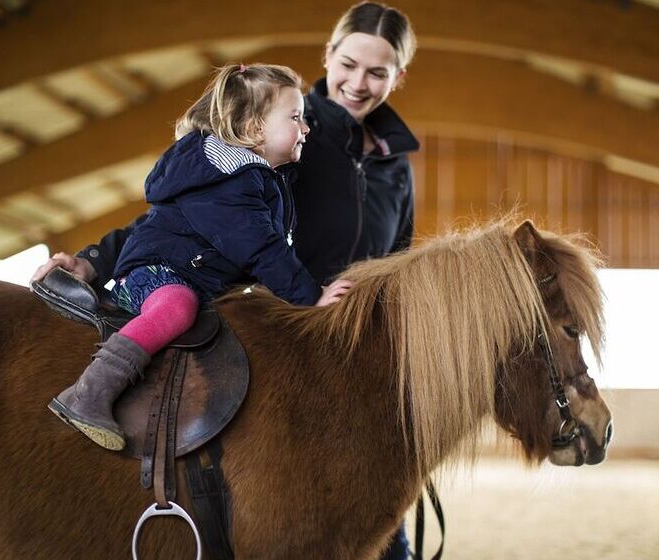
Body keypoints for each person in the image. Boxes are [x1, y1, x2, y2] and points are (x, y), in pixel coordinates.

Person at [32, 3, 418, 557]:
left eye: (378, 73)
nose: (358, 83)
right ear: (328, 56)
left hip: (358, 358)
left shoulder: (395, 167)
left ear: (398, 76)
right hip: (290, 333)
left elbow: (399, 262)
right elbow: (182, 219)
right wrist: (95, 259)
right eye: (349, 64)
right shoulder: (282, 133)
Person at [45, 63, 353, 453]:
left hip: (190, 273)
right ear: (256, 128)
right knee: (177, 308)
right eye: (295, 118)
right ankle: (90, 392)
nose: (306, 128)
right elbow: (261, 247)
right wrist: (311, 297)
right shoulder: (229, 180)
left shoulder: (260, 179)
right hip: (157, 275)